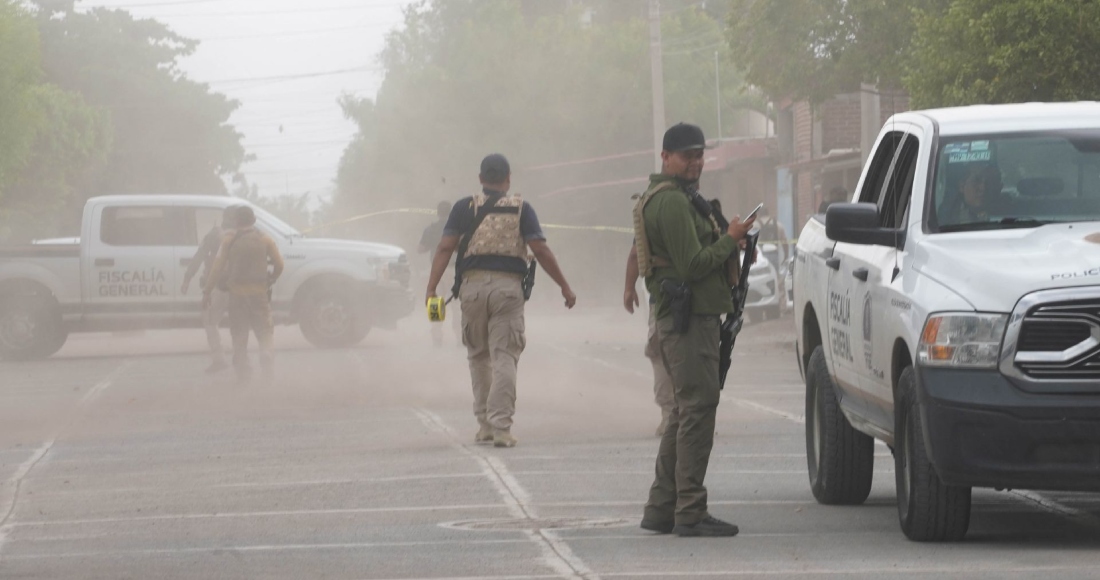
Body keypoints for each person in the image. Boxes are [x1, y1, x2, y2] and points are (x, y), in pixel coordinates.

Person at [633, 123, 755, 538]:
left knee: (685, 411)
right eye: (687, 156)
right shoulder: (669, 202)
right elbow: (691, 265)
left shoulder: (681, 199)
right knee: (698, 411)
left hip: (690, 317)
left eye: (700, 155)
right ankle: (689, 509)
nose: (695, 162)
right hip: (687, 321)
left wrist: (728, 239)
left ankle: (662, 506)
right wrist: (731, 240)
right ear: (665, 157)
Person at [425, 153, 576, 448]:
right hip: (508, 291)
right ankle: (502, 428)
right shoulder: (522, 209)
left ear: (481, 179)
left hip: (471, 289)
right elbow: (541, 251)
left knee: (478, 356)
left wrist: (431, 289)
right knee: (504, 356)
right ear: (508, 179)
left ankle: (484, 426)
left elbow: (444, 248)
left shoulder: (463, 207)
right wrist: (565, 287)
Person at [204, 206, 285, 383]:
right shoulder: (265, 239)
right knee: (265, 331)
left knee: (239, 335)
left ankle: (243, 375)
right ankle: (265, 356)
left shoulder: (228, 240)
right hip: (259, 294)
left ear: (236, 222)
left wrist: (207, 291)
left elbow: (216, 268)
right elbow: (279, 264)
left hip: (237, 296)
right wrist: (271, 278)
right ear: (254, 220)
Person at [623, 243, 674, 437]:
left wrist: (629, 288)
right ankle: (697, 414)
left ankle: (671, 415)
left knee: (660, 352)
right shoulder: (706, 212)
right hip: (701, 298)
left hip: (664, 297)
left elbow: (636, 253)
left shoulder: (651, 212)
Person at [181, 206, 237, 374]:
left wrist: (187, 279)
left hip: (218, 287)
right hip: (240, 288)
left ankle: (219, 358)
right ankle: (242, 360)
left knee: (210, 322)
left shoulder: (214, 235)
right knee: (239, 324)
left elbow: (199, 257)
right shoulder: (245, 236)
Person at [419, 201, 461, 346]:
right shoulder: (458, 229)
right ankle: (459, 336)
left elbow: (420, 249)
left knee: (436, 302)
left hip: (436, 271)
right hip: (454, 270)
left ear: (438, 213)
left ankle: (437, 335)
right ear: (452, 213)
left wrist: (433, 243)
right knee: (456, 304)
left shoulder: (431, 229)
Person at [938, 161, 1005, 226]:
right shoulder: (945, 219)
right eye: (976, 180)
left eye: (989, 182)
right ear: (962, 186)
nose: (983, 188)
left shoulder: (1009, 213)